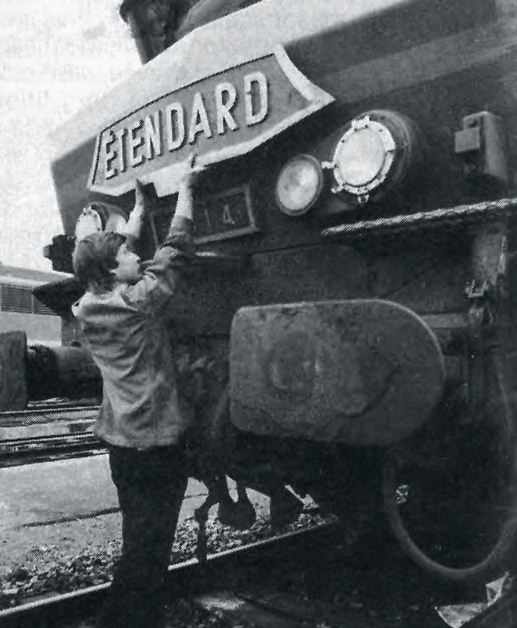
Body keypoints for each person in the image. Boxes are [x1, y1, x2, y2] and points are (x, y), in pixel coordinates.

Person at [72, 156, 203, 628]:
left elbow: (117, 251)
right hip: (155, 443)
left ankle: (133, 614)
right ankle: (124, 619)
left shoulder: (86, 307)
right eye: (129, 257)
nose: (137, 256)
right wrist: (186, 188)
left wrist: (140, 208)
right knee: (151, 543)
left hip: (121, 443)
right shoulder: (140, 301)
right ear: (113, 270)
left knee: (138, 533)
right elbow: (175, 247)